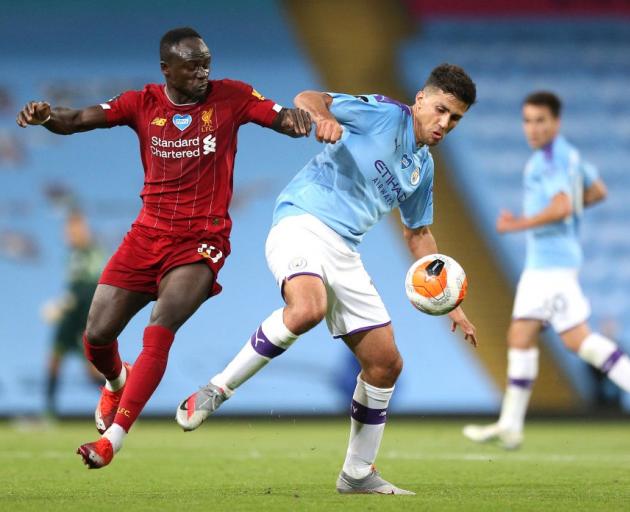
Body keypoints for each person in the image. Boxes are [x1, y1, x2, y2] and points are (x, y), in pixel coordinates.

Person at [16, 27, 311, 468]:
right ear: (166, 69)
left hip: (201, 241)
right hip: (146, 236)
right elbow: (75, 120)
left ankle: (113, 440)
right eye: (192, 64)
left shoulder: (231, 96)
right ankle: (117, 382)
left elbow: (282, 118)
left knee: (159, 328)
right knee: (96, 336)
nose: (202, 71)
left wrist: (301, 119)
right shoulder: (142, 103)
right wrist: (44, 117)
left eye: (206, 62)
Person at [176, 63, 478, 495]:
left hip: (345, 251)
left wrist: (453, 303)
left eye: (456, 119)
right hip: (302, 221)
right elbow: (309, 97)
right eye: (442, 111)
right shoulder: (384, 114)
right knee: (308, 308)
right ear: (421, 100)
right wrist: (325, 119)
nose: (445, 124)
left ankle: (357, 473)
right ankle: (216, 389)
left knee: (386, 364)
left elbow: (417, 235)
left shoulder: (422, 169)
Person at [463, 91, 630, 450]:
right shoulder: (568, 155)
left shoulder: (548, 161)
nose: (533, 128)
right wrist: (567, 211)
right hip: (553, 263)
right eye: (527, 120)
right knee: (525, 337)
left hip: (549, 267)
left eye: (540, 120)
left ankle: (510, 424)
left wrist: (518, 224)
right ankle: (510, 424)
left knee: (577, 341)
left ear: (556, 122)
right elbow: (597, 191)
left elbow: (561, 205)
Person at [42, 209, 104, 418]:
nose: (69, 234)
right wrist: (65, 303)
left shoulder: (91, 253)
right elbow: (74, 287)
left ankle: (122, 409)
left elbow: (91, 288)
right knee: (54, 360)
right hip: (70, 318)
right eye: (68, 230)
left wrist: (66, 303)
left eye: (74, 229)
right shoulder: (73, 255)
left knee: (92, 371)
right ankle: (49, 414)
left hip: (83, 319)